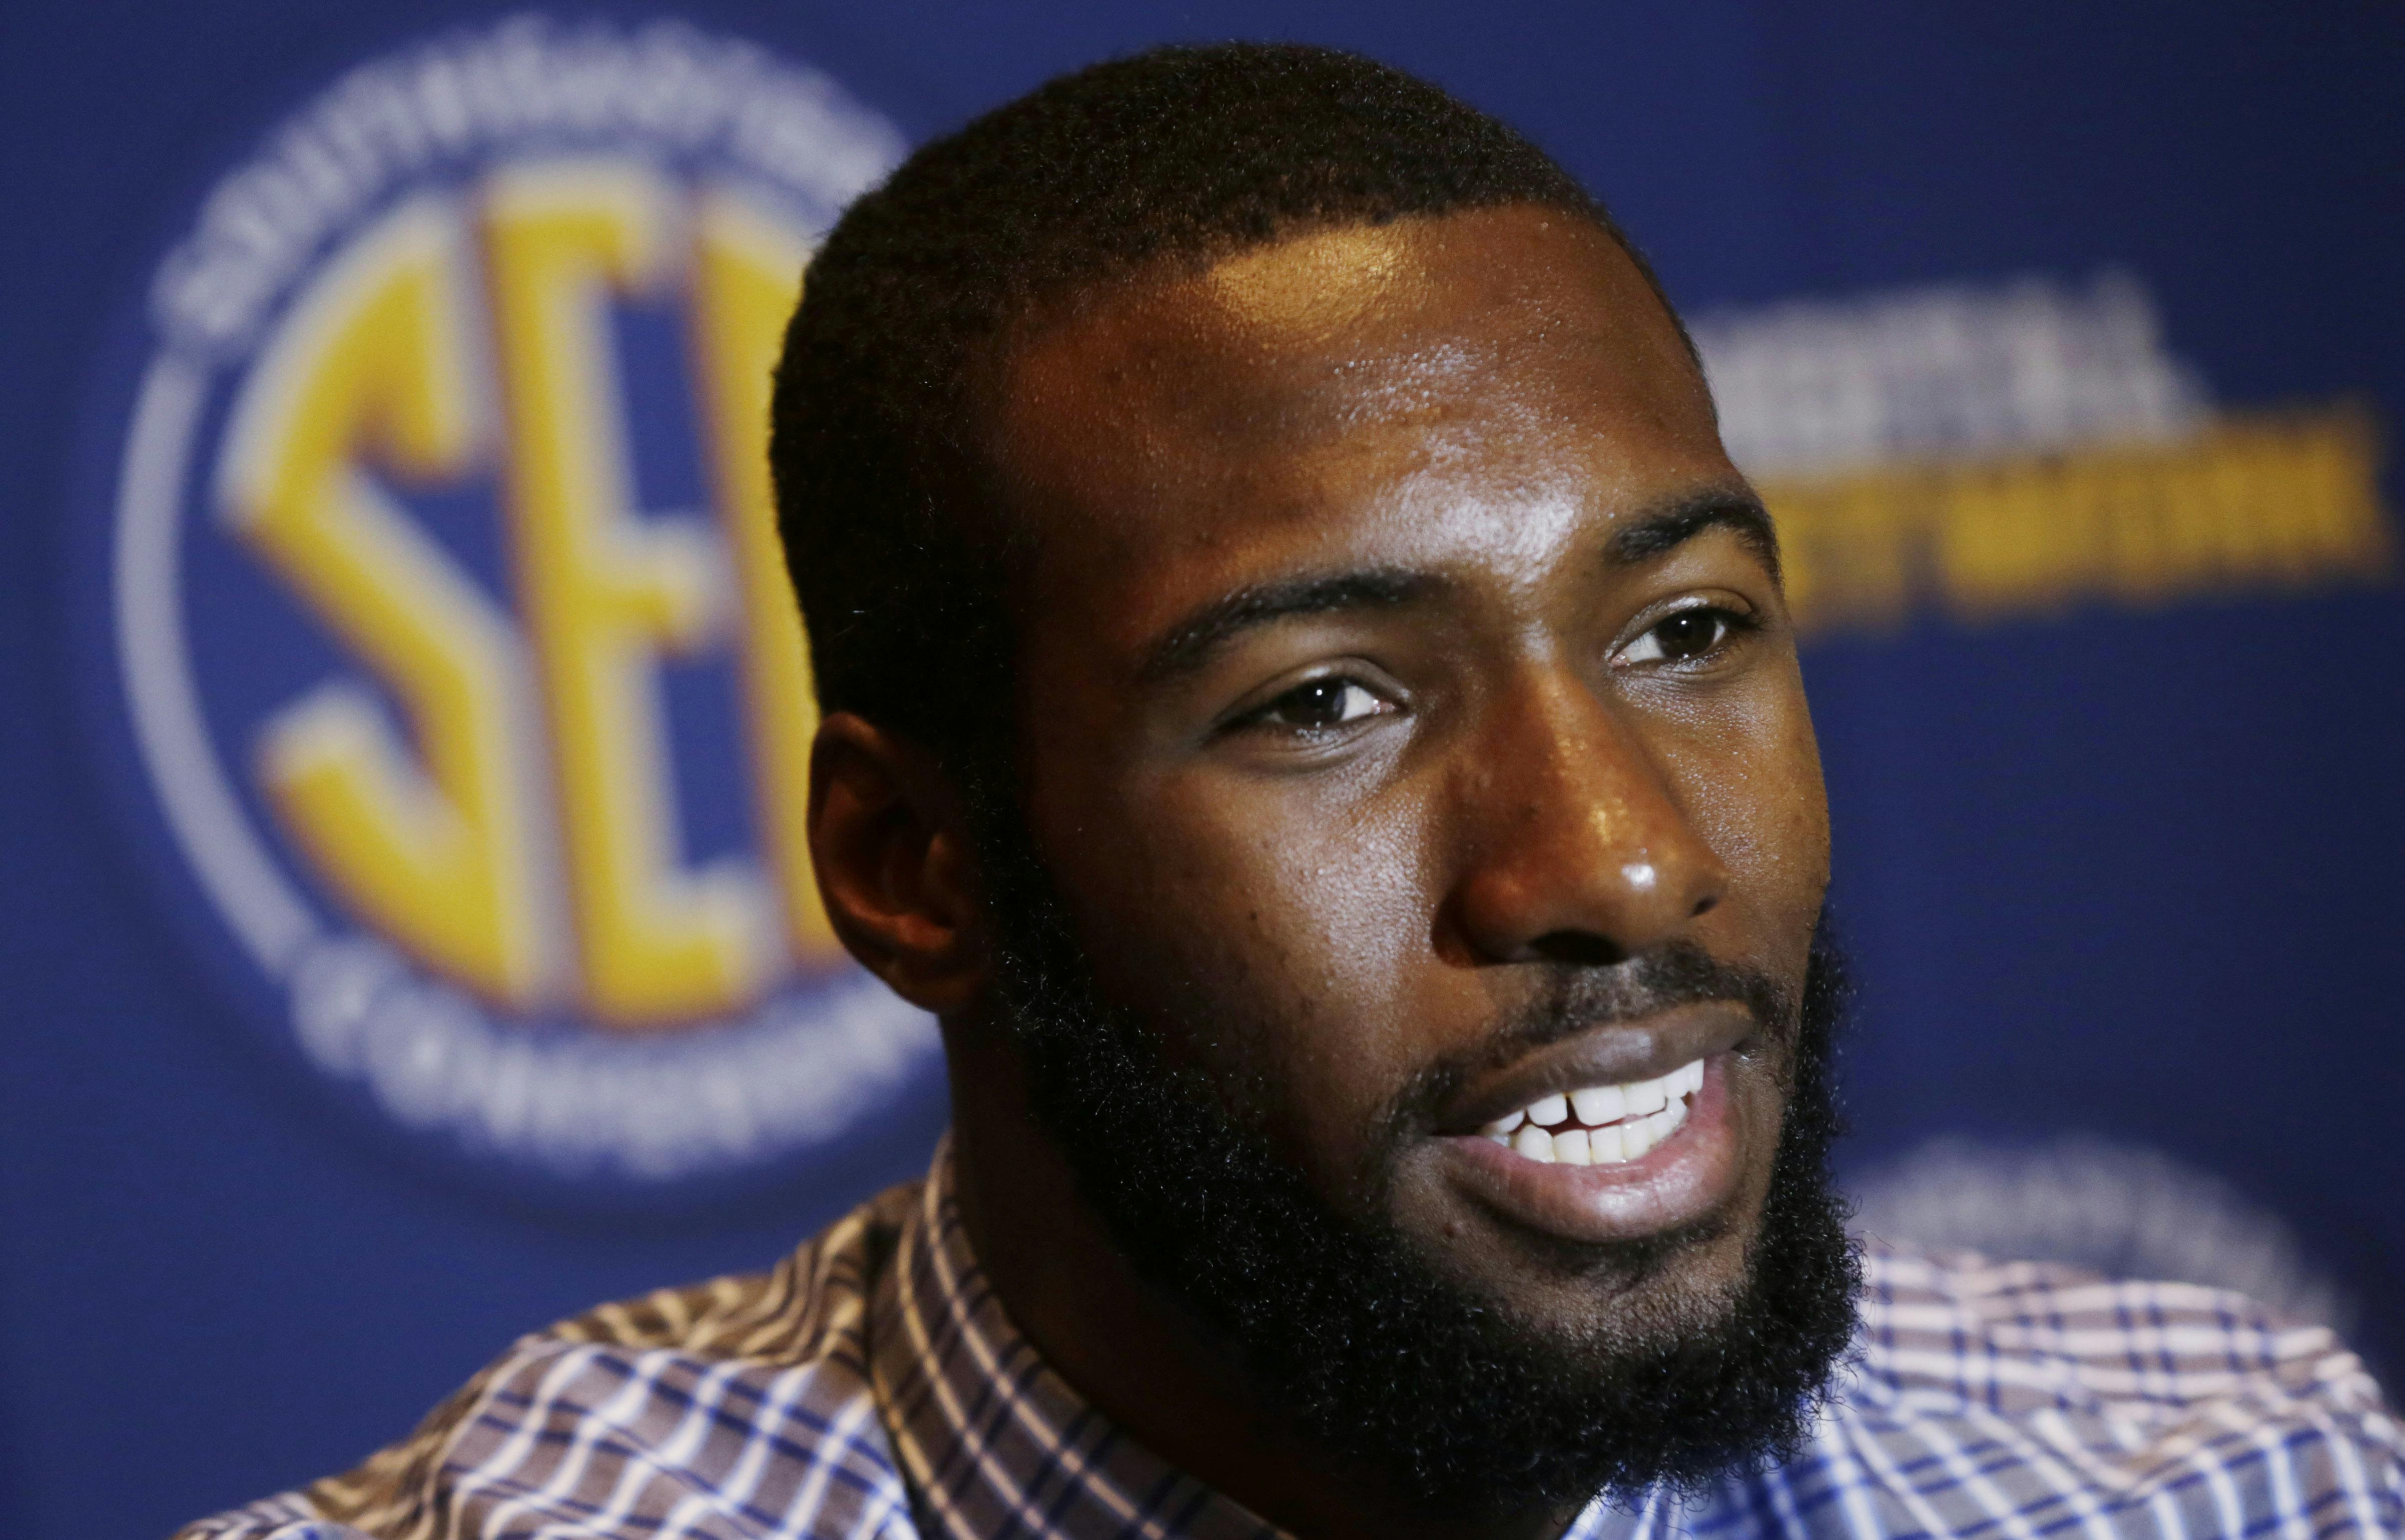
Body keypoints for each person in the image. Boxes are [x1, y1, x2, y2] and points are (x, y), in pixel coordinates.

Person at [181, 42, 2400, 1540]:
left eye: (1687, 631)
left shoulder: (2227, 1477)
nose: (1615, 856)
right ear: (907, 864)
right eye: (1327, 699)